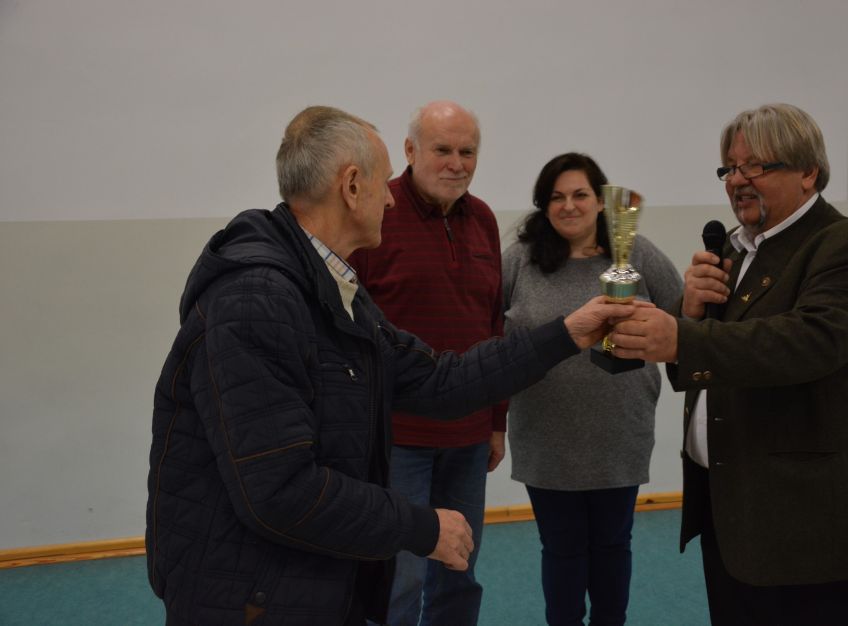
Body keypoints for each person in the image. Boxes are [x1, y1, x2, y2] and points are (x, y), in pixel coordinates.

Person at [145, 105, 640, 626]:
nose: (389, 197)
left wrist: (568, 332)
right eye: (383, 183)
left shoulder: (330, 286)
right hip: (247, 589)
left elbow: (438, 379)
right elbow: (280, 490)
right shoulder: (256, 301)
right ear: (351, 186)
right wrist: (420, 527)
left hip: (296, 576)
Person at [608, 103, 848, 625]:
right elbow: (708, 361)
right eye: (730, 168)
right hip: (732, 507)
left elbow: (807, 344)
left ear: (809, 172)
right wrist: (691, 310)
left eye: (756, 165)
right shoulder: (737, 251)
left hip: (805, 521)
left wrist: (683, 336)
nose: (738, 180)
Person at [501, 152, 682, 626]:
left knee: (612, 545)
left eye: (580, 194)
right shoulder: (519, 260)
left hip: (619, 432)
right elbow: (490, 340)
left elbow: (681, 317)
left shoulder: (636, 253)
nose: (569, 206)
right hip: (546, 435)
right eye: (556, 197)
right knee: (560, 548)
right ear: (544, 205)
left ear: (601, 201)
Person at [347, 100, 503, 626]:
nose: (456, 163)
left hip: (469, 435)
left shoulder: (484, 220)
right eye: (442, 150)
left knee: (460, 568)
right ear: (410, 151)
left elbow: (493, 324)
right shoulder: (377, 214)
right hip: (398, 437)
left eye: (467, 152)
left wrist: (496, 421)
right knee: (399, 575)